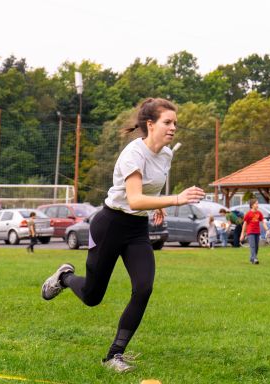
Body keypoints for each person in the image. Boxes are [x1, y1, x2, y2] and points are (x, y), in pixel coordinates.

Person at [40, 98, 205, 374]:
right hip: (110, 225)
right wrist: (175, 199)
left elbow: (147, 196)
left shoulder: (166, 153)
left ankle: (114, 355)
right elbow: (135, 199)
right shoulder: (133, 154)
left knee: (144, 288)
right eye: (167, 122)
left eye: (175, 123)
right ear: (150, 124)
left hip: (137, 229)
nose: (173, 128)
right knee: (93, 297)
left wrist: (161, 205)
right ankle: (65, 278)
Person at [240, 199, 268, 264]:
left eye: (258, 203)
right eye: (256, 204)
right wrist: (242, 234)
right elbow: (244, 224)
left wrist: (267, 230)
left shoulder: (259, 213)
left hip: (257, 232)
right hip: (250, 232)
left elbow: (263, 222)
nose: (257, 205)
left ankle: (252, 258)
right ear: (252, 205)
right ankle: (255, 258)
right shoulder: (248, 214)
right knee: (252, 246)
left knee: (256, 247)